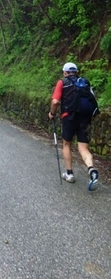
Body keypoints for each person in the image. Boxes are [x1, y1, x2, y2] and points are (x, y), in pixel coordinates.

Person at [48, 62, 99, 191]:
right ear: (76, 72)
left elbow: (55, 101)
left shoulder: (62, 82)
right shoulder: (85, 82)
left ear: (65, 72)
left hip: (68, 117)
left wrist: (52, 113)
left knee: (67, 144)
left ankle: (69, 174)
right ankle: (91, 169)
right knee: (83, 148)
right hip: (85, 118)